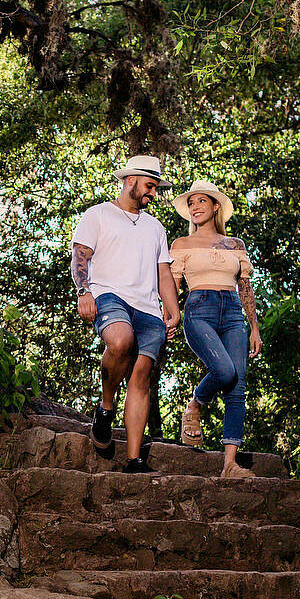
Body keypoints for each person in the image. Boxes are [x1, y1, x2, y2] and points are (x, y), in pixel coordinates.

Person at [70, 155, 175, 473]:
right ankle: (105, 407)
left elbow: (164, 273)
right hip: (109, 295)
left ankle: (133, 459)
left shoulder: (155, 227)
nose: (153, 193)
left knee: (141, 376)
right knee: (119, 340)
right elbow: (80, 255)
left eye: (155, 188)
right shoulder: (98, 214)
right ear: (131, 180)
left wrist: (174, 311)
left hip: (148, 309)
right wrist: (83, 291)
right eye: (150, 186)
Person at [160, 180, 263, 479]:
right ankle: (196, 403)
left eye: (201, 201)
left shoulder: (235, 245)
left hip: (232, 311)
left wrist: (254, 327)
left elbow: (245, 287)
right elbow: (172, 285)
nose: (195, 207)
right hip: (198, 309)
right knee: (225, 371)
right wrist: (168, 316)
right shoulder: (181, 245)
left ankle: (230, 464)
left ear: (215, 206)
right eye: (191, 203)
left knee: (237, 387)